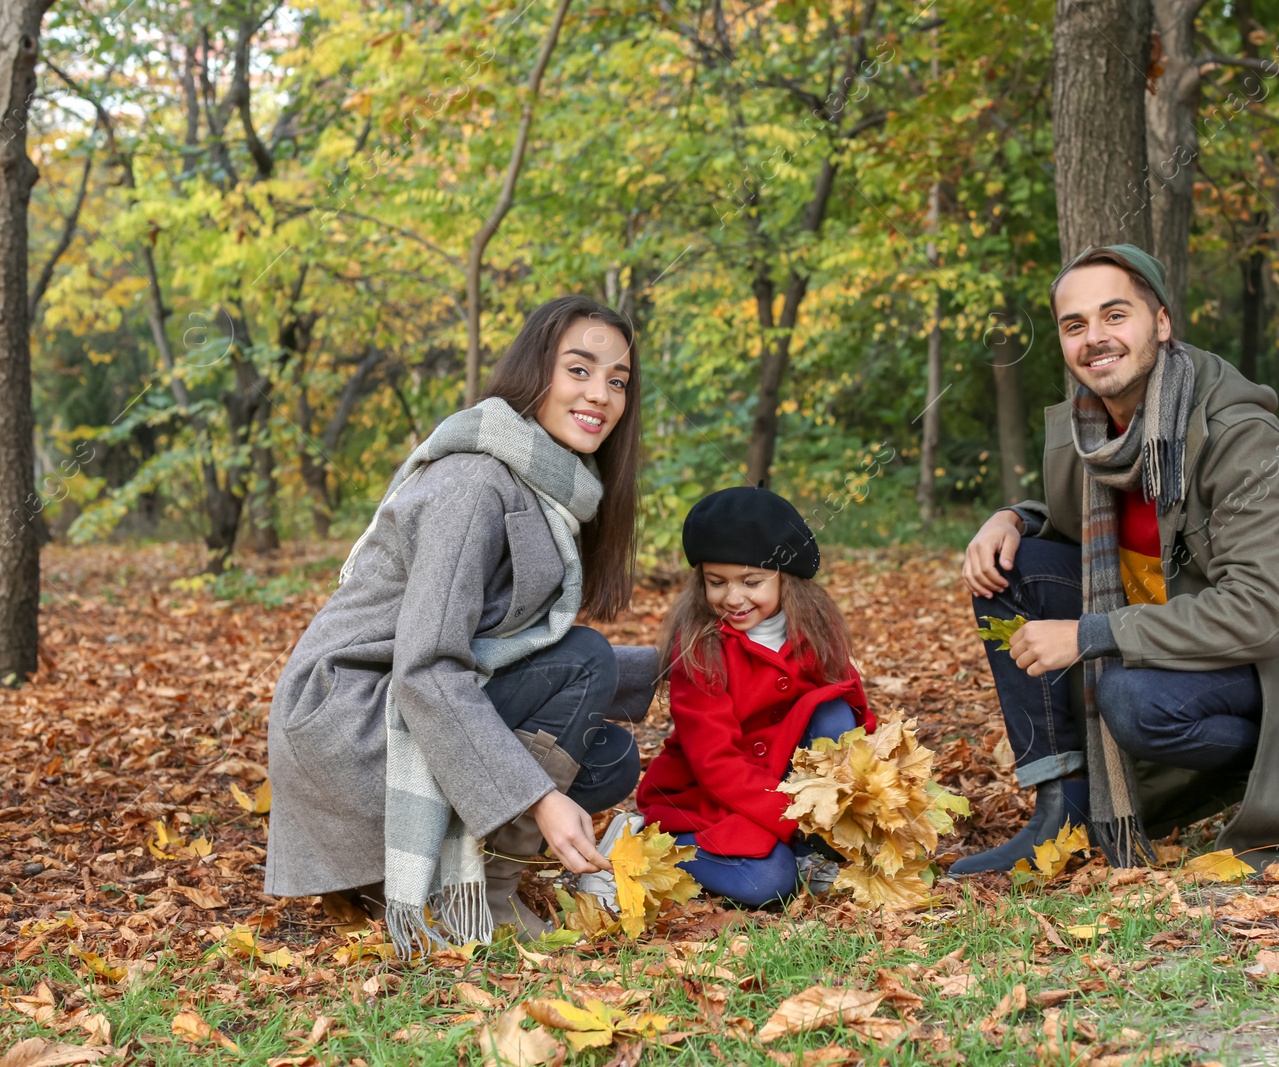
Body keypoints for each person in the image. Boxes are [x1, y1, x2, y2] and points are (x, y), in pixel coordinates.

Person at [951, 244, 1279, 874]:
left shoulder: (1239, 437)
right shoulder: (1088, 436)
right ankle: (1067, 808)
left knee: (1134, 698)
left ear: (1161, 324)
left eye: (1116, 315)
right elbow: (1067, 531)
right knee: (1007, 571)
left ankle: (1275, 762)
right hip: (1187, 641)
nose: (1095, 338)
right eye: (1075, 324)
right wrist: (1010, 519)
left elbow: (1259, 615)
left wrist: (1088, 635)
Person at [265, 295, 659, 957]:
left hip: (393, 698)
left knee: (612, 759)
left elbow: (499, 649)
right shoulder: (475, 482)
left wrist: (679, 660)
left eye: (617, 380)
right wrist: (536, 799)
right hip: (350, 719)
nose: (601, 394)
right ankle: (476, 897)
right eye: (580, 370)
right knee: (586, 659)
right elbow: (428, 667)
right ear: (537, 371)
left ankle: (422, 875)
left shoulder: (549, 483)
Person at [637, 486, 875, 906]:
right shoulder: (702, 648)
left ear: (787, 577)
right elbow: (716, 765)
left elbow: (857, 717)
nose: (732, 597)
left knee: (834, 714)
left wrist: (867, 791)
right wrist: (796, 817)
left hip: (783, 791)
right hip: (708, 798)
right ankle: (649, 848)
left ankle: (810, 854)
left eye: (751, 581)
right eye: (717, 582)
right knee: (767, 885)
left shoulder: (817, 633)